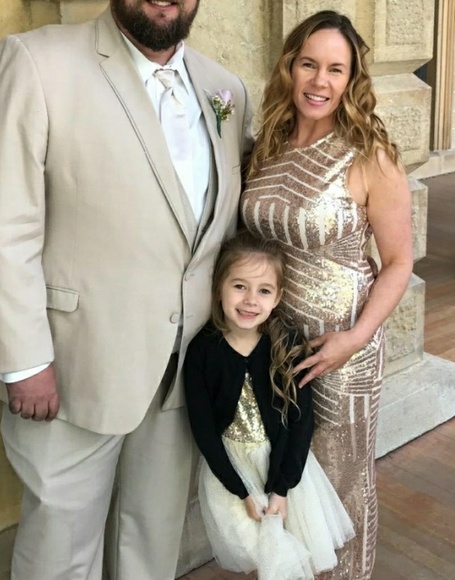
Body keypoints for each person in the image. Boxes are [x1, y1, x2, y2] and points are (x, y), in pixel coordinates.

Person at [0, 0, 253, 578]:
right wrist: (23, 361)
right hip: (72, 367)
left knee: (152, 541)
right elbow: (7, 224)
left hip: (182, 371)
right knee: (60, 551)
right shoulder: (38, 62)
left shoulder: (225, 89)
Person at [241, 10, 414, 580]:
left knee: (340, 483)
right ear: (289, 68)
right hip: (270, 341)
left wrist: (355, 338)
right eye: (309, 64)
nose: (320, 81)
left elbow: (398, 262)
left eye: (336, 69)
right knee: (280, 478)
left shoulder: (370, 154)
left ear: (352, 79)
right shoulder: (266, 144)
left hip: (341, 348)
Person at [183, 232, 355, 580]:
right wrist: (239, 490)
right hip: (231, 471)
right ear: (219, 287)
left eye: (264, 291)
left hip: (283, 470)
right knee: (257, 551)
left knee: (290, 553)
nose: (250, 300)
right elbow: (203, 429)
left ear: (277, 297)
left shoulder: (287, 345)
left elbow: (302, 422)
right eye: (239, 286)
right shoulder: (203, 350)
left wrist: (282, 488)